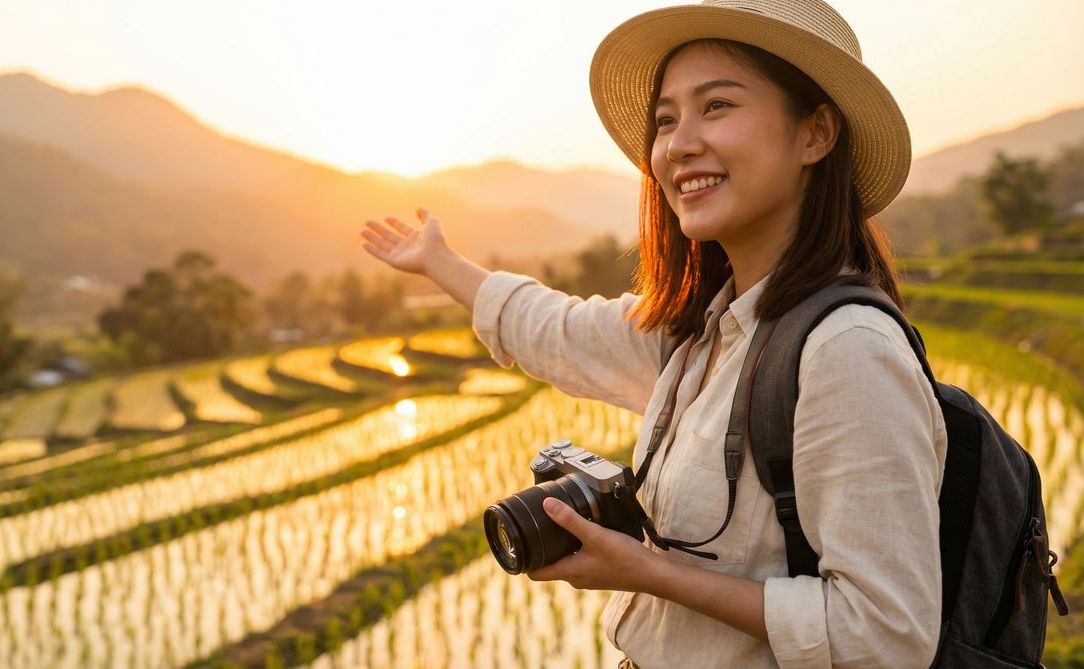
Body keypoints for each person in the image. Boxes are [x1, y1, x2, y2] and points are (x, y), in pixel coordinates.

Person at [359, 1, 947, 666]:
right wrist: (440, 262)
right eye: (666, 120)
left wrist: (645, 569)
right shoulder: (700, 335)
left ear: (815, 133)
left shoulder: (846, 351)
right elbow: (555, 329)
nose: (677, 143)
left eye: (717, 106)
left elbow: (888, 636)